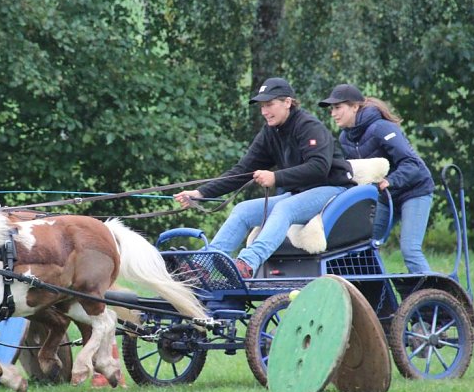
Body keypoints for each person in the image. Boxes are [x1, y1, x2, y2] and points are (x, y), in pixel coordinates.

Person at [174, 77, 355, 278]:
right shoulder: (270, 132)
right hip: (300, 193)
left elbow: (318, 168)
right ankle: (203, 264)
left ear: (288, 102)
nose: (264, 111)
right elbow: (242, 170)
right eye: (262, 106)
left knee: (284, 208)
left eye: (269, 104)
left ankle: (247, 263)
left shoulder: (309, 126)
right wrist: (201, 193)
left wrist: (275, 177)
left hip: (333, 191)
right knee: (242, 210)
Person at [319, 84, 435, 273]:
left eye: (338, 107)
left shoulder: (381, 128)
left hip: (414, 191)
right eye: (332, 109)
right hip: (385, 197)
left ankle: (437, 298)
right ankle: (377, 298)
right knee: (365, 247)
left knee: (410, 250)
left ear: (354, 107)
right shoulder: (344, 138)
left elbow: (412, 163)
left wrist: (391, 180)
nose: (333, 113)